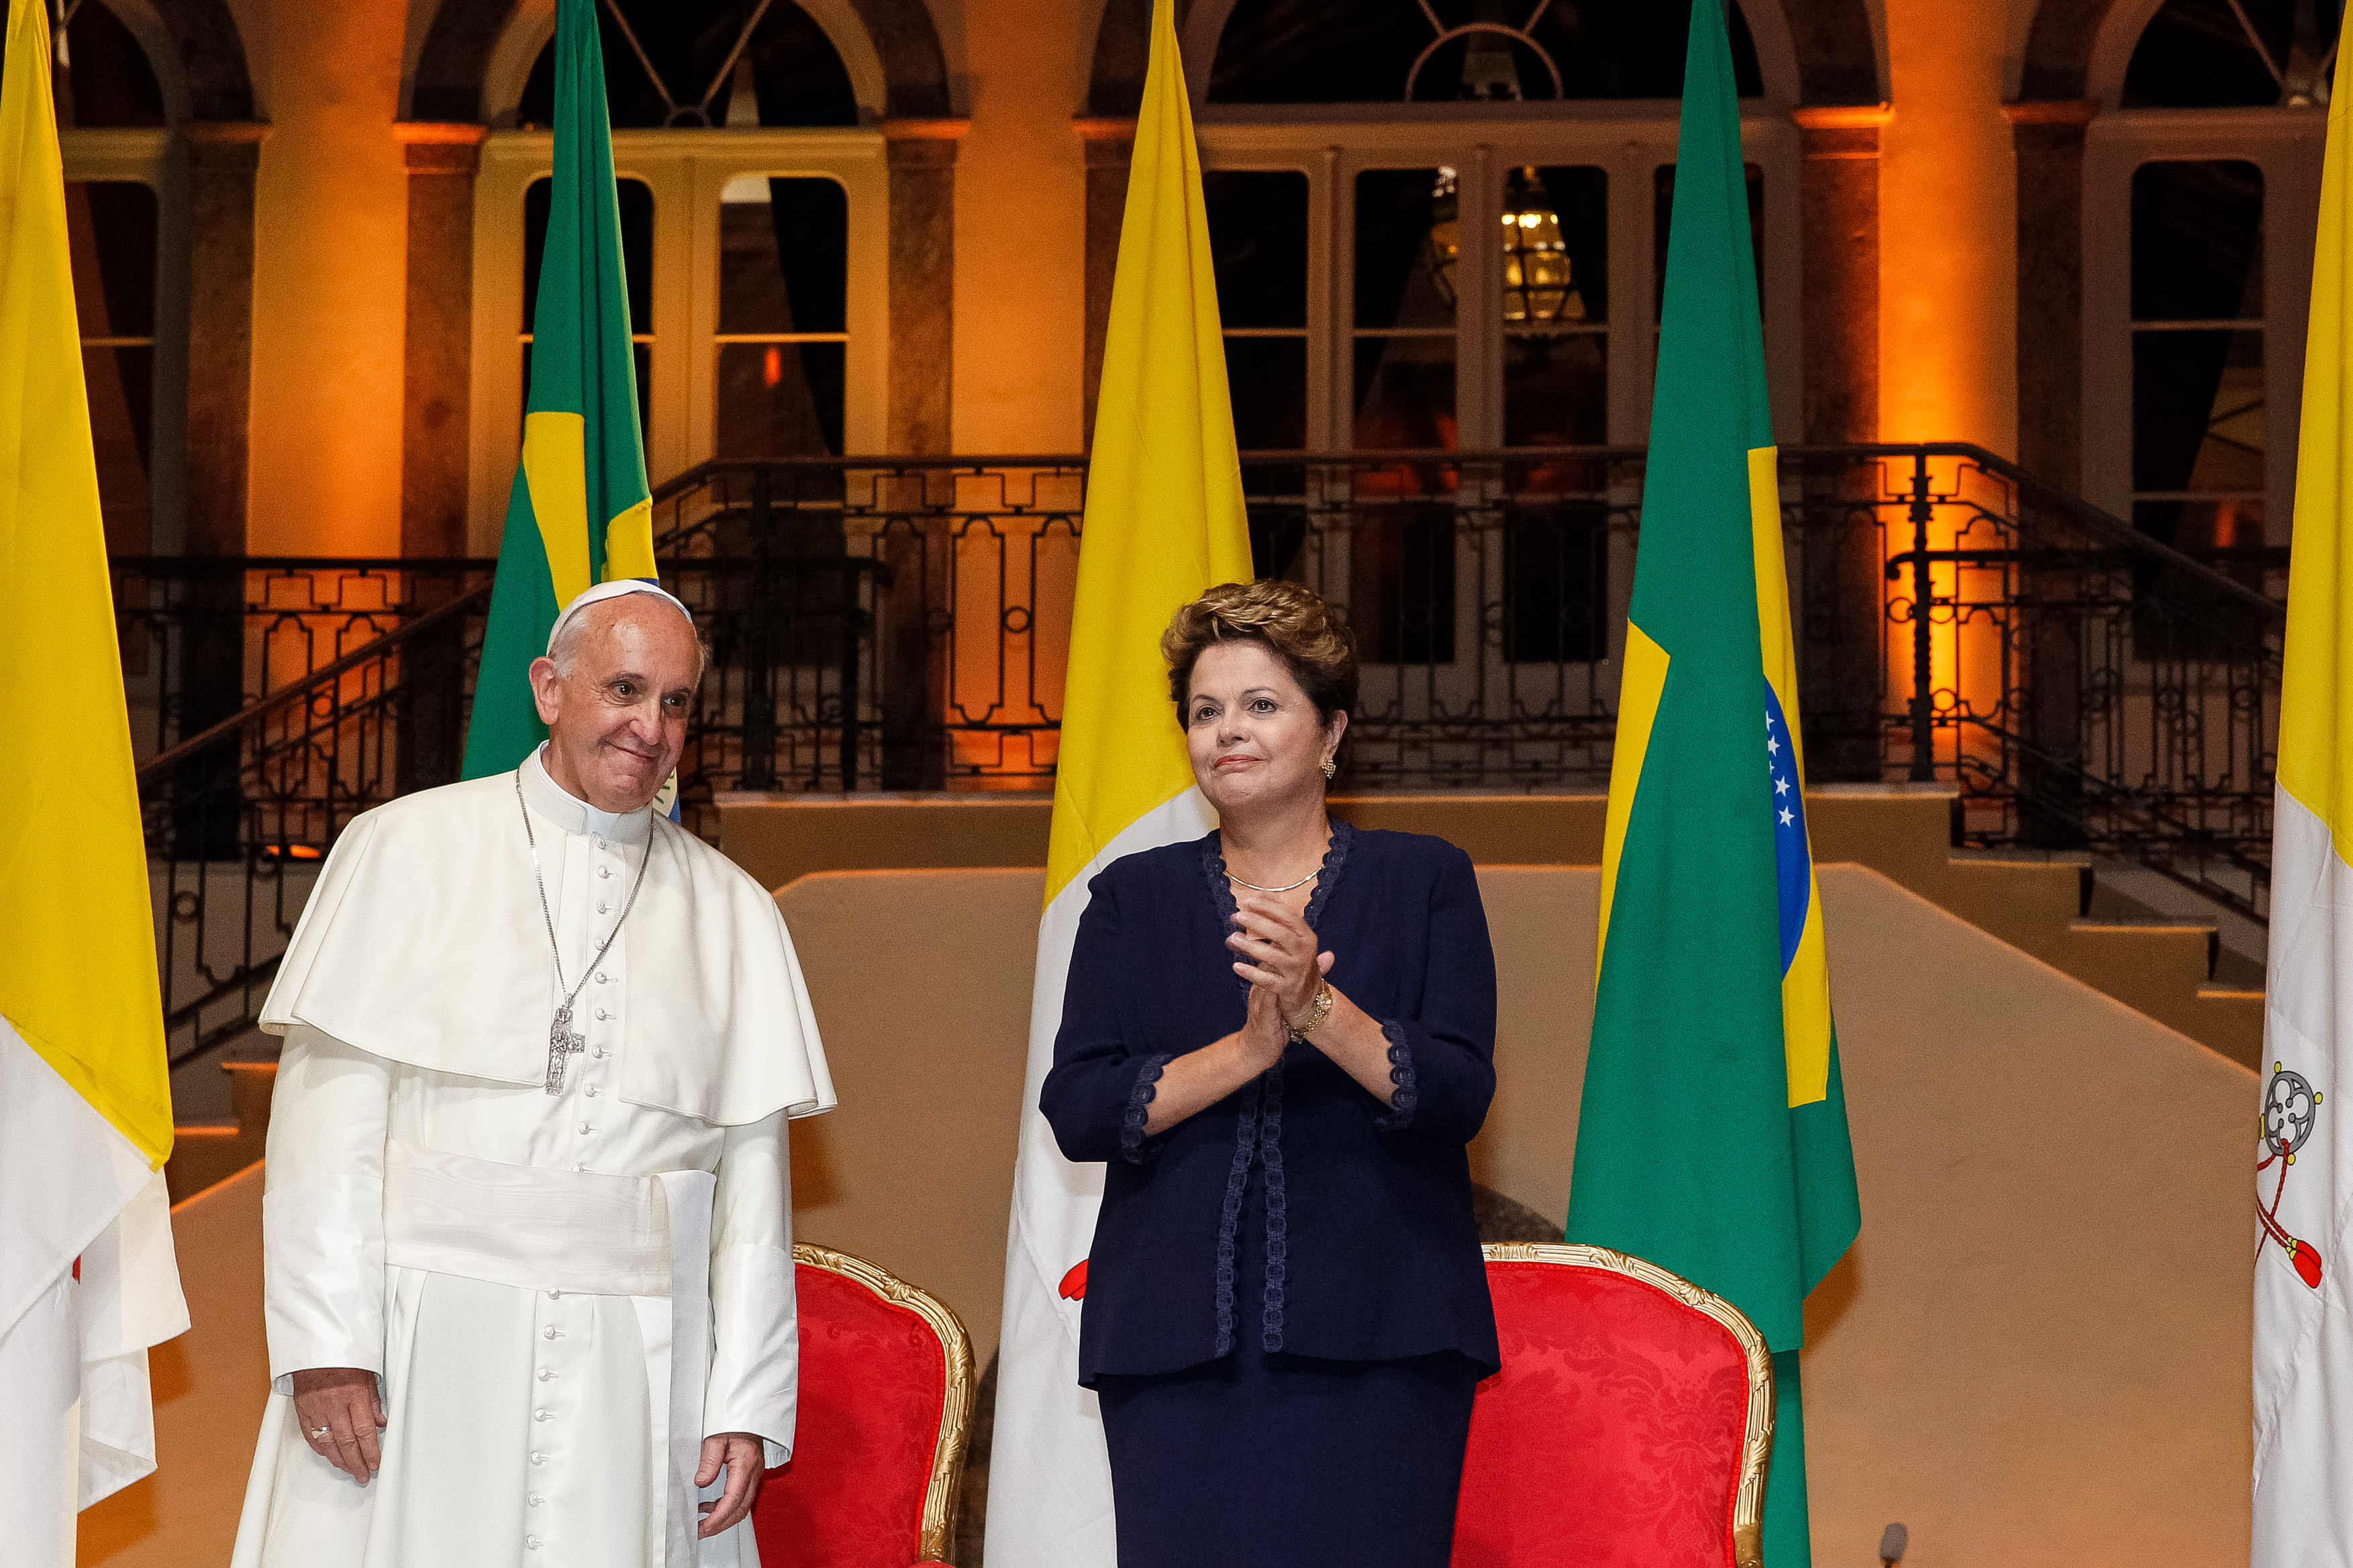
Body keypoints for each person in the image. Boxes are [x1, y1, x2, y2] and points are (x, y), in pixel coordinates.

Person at [230, 580, 836, 1568]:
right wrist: (326, 1345)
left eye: (676, 702)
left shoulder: (734, 911)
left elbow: (752, 1194)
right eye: (624, 689)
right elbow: (322, 1132)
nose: (650, 727)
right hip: (423, 1344)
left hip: (639, 1369)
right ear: (549, 689)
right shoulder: (403, 848)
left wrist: (745, 1399)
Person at [1040, 579, 1499, 1567]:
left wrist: (1318, 1009)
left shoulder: (1424, 879)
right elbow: (1078, 1106)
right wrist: (1247, 1051)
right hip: (1171, 1351)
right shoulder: (1130, 897)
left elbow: (1459, 1092)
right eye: (1205, 711)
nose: (1227, 732)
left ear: (1331, 732)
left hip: (1387, 1342)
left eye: (1260, 704)